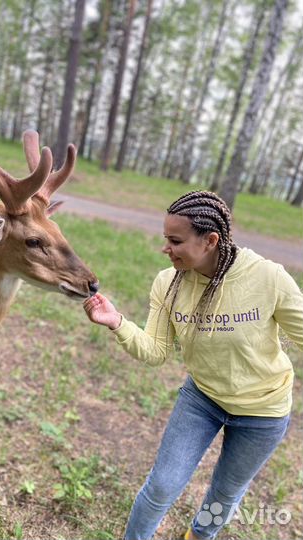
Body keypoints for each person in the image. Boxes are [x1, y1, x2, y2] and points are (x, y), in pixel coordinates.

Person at [83, 190, 303, 540]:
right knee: (162, 486)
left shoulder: (267, 278)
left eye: (175, 240)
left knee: (224, 495)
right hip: (202, 399)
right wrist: (117, 322)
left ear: (210, 240)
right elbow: (156, 351)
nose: (165, 248)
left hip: (263, 412)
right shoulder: (168, 283)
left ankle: (198, 536)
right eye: (165, 239)